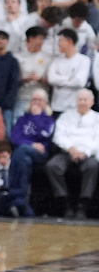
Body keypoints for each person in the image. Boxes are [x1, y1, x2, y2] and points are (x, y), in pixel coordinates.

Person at [46, 88, 99, 219]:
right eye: (80, 99)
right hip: (67, 152)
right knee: (52, 166)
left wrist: (84, 152)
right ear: (76, 101)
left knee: (93, 166)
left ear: (92, 102)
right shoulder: (66, 116)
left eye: (85, 99)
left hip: (88, 154)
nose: (82, 102)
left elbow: (97, 140)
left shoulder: (96, 118)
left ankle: (83, 205)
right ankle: (65, 202)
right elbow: (58, 136)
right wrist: (71, 149)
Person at [9, 88, 55, 185]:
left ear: (46, 103)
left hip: (41, 153)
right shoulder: (22, 118)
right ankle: (22, 195)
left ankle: (9, 186)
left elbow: (45, 135)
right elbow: (14, 137)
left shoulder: (49, 120)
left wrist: (36, 117)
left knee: (22, 149)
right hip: (24, 151)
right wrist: (32, 144)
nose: (37, 102)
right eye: (34, 99)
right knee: (25, 160)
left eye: (40, 100)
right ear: (30, 102)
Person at [47, 29, 90, 116]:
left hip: (74, 107)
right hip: (56, 106)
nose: (58, 44)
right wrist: (70, 78)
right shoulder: (56, 60)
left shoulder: (84, 60)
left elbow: (80, 82)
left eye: (60, 41)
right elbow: (51, 79)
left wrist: (59, 78)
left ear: (69, 41)